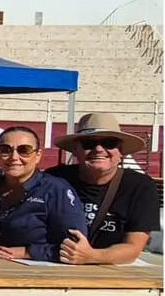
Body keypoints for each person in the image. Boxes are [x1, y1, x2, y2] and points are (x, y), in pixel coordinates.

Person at [50, 113, 159, 265]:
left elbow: (133, 247)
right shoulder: (54, 179)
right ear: (76, 150)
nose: (99, 149)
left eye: (109, 142)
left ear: (121, 151)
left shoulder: (140, 186)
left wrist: (90, 256)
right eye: (89, 143)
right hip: (54, 264)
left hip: (112, 273)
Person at [0, 125, 86, 262]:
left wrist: (27, 252)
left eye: (24, 150)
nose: (14, 157)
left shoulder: (56, 190)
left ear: (38, 156)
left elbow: (76, 246)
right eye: (5, 150)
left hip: (40, 276)